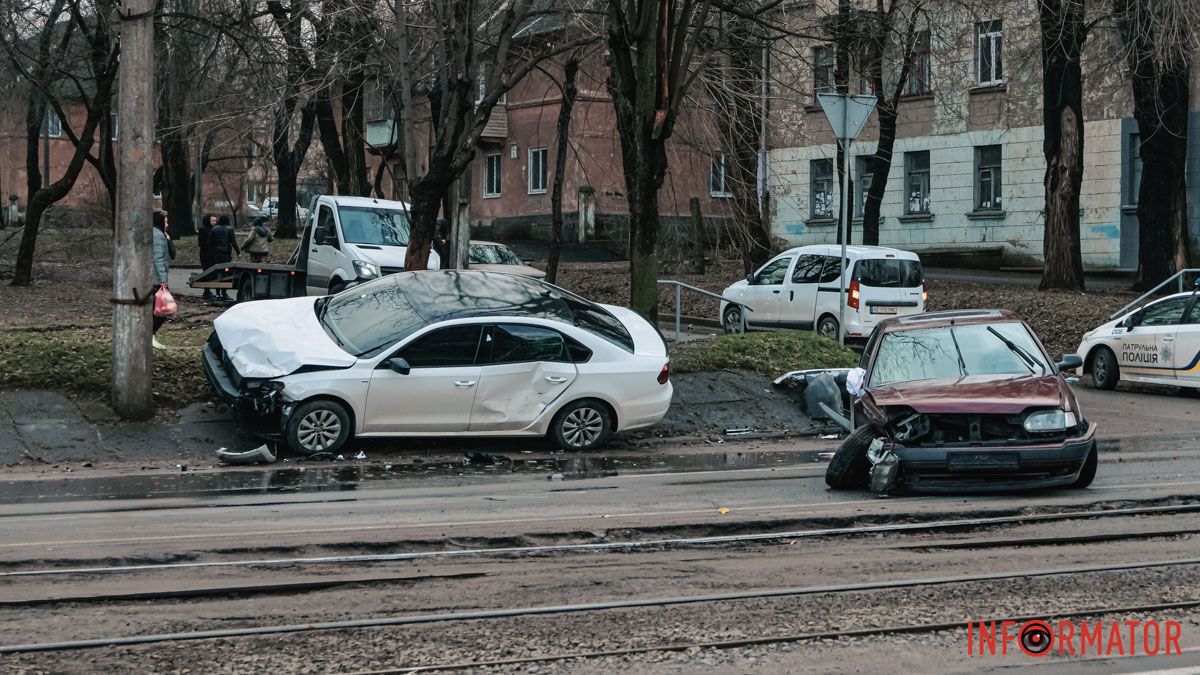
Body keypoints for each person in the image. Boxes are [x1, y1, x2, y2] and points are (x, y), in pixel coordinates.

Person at [151, 211, 175, 350]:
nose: (167, 223)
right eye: (165, 221)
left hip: (154, 278)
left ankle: (150, 336)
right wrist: (163, 280)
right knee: (164, 310)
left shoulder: (160, 234)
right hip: (156, 279)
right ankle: (150, 335)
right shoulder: (158, 235)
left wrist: (168, 239)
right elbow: (158, 259)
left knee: (156, 310)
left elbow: (172, 254)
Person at [208, 215, 240, 301]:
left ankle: (217, 293)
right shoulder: (230, 229)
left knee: (217, 272)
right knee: (225, 273)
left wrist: (213, 251)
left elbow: (209, 242)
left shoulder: (214, 229)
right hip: (226, 253)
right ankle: (224, 292)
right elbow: (233, 242)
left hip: (216, 254)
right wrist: (238, 252)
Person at [197, 213, 217, 300]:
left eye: (215, 221)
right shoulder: (203, 229)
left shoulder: (214, 229)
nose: (214, 222)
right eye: (213, 220)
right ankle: (207, 291)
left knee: (212, 273)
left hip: (212, 254)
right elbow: (201, 243)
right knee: (207, 272)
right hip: (205, 254)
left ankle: (209, 291)